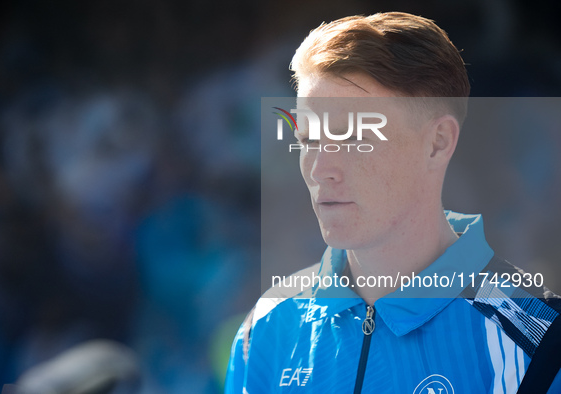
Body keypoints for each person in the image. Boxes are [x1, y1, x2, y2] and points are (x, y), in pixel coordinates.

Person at [226, 12, 561, 393]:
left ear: (437, 143)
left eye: (353, 137)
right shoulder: (268, 327)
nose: (320, 168)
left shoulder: (542, 343)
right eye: (308, 140)